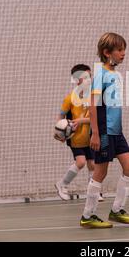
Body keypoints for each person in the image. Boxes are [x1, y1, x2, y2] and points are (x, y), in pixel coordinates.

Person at [80, 32, 129, 228]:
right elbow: (94, 105)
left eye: (124, 50)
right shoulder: (100, 75)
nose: (123, 53)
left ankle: (116, 210)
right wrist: (95, 133)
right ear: (107, 53)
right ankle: (88, 215)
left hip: (116, 131)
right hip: (103, 131)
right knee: (100, 173)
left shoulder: (115, 74)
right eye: (119, 50)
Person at [54, 64, 104, 201]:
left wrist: (81, 121)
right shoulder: (69, 98)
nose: (89, 80)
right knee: (81, 162)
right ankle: (62, 184)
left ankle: (93, 191)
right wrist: (59, 132)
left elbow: (96, 118)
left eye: (90, 76)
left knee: (92, 164)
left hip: (91, 136)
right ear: (77, 80)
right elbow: (60, 117)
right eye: (84, 77)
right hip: (76, 138)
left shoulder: (95, 97)